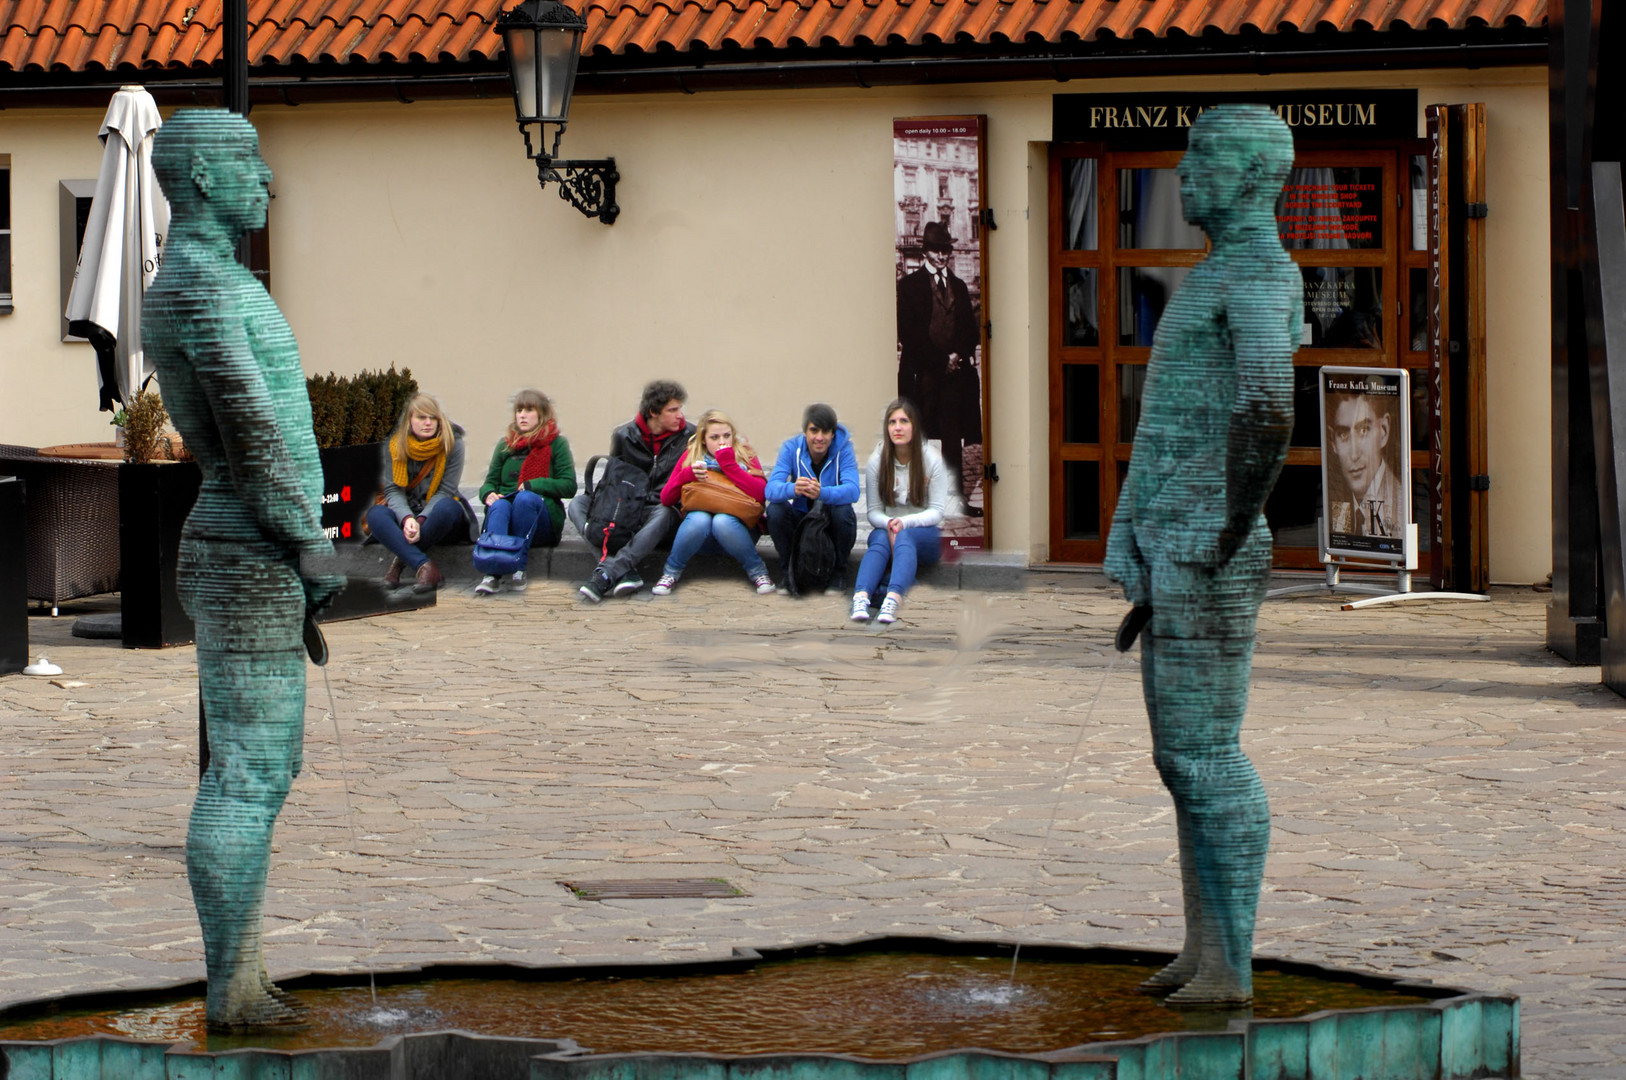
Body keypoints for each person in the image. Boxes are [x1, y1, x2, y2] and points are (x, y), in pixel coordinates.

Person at [144, 109, 345, 1030]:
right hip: (246, 542)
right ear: (202, 179)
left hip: (248, 542)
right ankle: (230, 990)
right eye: (251, 162)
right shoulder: (198, 286)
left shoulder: (206, 279)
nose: (269, 179)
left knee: (264, 766)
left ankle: (247, 975)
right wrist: (305, 544)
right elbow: (253, 430)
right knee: (246, 774)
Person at [1102, 104, 1298, 1006]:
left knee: (1208, 752)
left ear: (1253, 176)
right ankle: (1203, 945)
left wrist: (1225, 525)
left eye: (1202, 158)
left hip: (1206, 545)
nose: (1185, 173)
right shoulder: (1218, 271)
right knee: (1178, 757)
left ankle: (1230, 962)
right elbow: (1165, 417)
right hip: (1174, 539)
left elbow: (1267, 405)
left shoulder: (1259, 272)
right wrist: (1126, 527)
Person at [567, 379, 696, 602]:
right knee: (578, 504)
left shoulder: (690, 437)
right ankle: (623, 571)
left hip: (658, 514)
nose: (680, 416)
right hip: (625, 511)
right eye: (672, 410)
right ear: (654, 413)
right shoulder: (624, 436)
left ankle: (607, 573)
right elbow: (613, 480)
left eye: (680, 409)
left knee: (665, 511)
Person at [896, 220, 983, 514]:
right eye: (935, 250)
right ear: (925, 252)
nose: (941, 255)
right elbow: (908, 333)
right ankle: (918, 499)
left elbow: (970, 330)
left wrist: (957, 354)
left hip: (952, 377)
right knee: (916, 436)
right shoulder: (909, 286)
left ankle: (955, 498)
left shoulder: (958, 286)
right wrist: (940, 360)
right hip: (921, 374)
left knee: (952, 435)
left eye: (945, 249)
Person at [651, 410, 772, 595]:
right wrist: (686, 475)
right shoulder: (692, 456)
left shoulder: (745, 454)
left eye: (726, 436)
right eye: (714, 437)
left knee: (722, 521)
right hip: (700, 537)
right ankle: (670, 574)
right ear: (703, 440)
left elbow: (761, 495)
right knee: (699, 518)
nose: (722, 442)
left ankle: (758, 572)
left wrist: (730, 466)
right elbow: (666, 498)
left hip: (739, 532)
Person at [365, 394, 475, 593]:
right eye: (422, 418)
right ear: (409, 420)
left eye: (433, 418)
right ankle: (424, 566)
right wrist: (407, 518)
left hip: (441, 519)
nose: (428, 423)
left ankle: (399, 563)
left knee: (447, 507)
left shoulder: (453, 442)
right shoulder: (396, 444)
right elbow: (392, 489)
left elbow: (446, 490)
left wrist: (421, 520)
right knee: (375, 515)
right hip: (408, 514)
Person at [851, 398, 947, 625]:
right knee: (880, 540)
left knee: (904, 535)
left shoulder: (932, 459)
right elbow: (873, 512)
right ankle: (861, 597)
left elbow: (937, 511)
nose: (898, 427)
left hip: (926, 535)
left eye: (904, 421)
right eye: (892, 422)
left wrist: (905, 524)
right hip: (888, 528)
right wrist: (891, 523)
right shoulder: (878, 460)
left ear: (914, 426)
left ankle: (891, 599)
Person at [474, 389, 576, 595]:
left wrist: (534, 485)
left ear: (542, 414)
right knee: (500, 505)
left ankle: (518, 568)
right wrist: (488, 495)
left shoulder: (557, 443)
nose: (522, 415)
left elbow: (569, 485)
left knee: (525, 499)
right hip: (507, 512)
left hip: (541, 519)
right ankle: (491, 573)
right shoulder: (505, 445)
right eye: (519, 410)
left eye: (529, 410)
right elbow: (489, 483)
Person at [764, 403, 861, 593]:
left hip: (829, 520)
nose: (819, 438)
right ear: (805, 432)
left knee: (844, 511)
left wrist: (822, 493)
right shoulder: (791, 448)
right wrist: (793, 488)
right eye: (814, 431)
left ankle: (838, 574)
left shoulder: (845, 450)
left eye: (825, 432)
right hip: (800, 518)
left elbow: (853, 491)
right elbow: (771, 489)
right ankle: (789, 573)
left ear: (833, 434)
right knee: (775, 509)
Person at [1327, 386, 1401, 538]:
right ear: (1333, 442)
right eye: (1343, 434)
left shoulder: (1404, 505)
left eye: (1363, 430)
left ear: (1383, 431)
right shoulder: (1335, 499)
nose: (1354, 455)